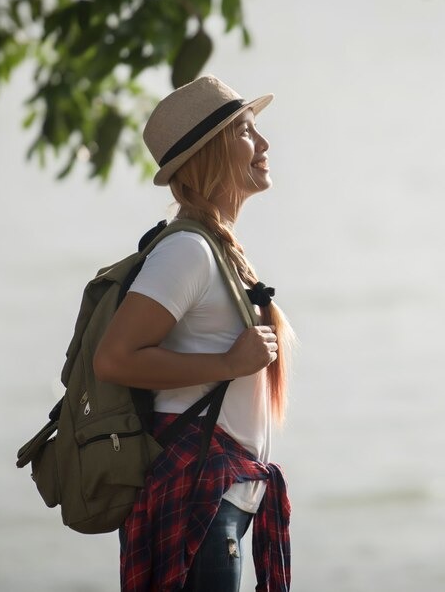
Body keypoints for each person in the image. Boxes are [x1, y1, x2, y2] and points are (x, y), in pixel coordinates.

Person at [93, 75, 294, 592]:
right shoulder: (189, 252)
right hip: (197, 495)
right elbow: (114, 359)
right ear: (212, 153)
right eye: (248, 131)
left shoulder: (217, 249)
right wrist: (228, 365)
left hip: (216, 496)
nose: (265, 144)